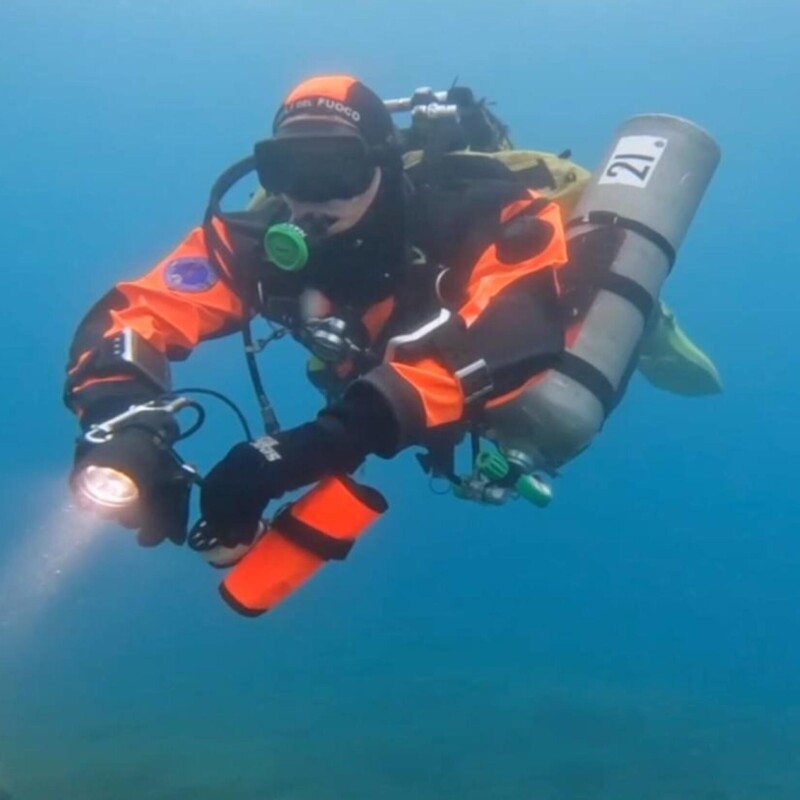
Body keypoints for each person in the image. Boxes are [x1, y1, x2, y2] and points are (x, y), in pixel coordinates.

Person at [65, 75, 571, 550]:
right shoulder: (252, 243)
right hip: (376, 364)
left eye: (337, 169)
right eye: (288, 170)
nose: (310, 197)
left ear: (382, 162)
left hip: (499, 338)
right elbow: (138, 312)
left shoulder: (482, 213)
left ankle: (654, 331)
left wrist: (327, 441)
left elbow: (514, 325)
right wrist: (122, 421)